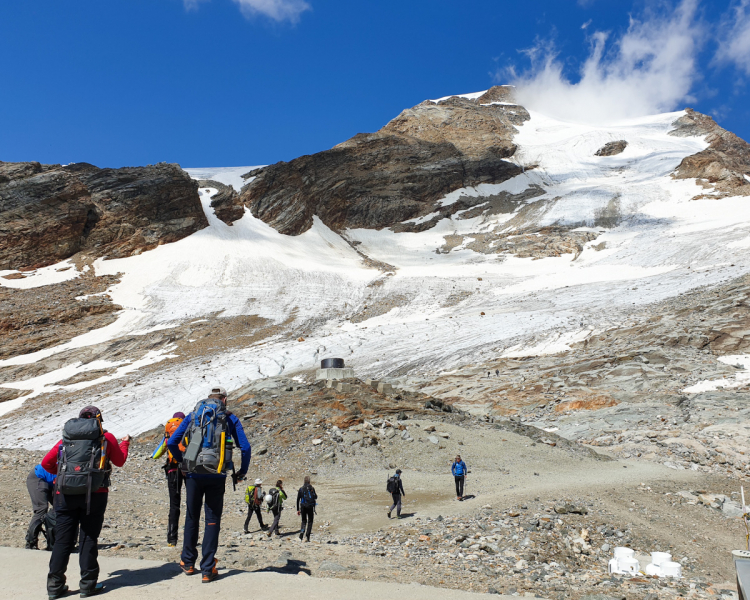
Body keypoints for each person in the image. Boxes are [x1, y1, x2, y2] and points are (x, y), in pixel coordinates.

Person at [42, 406, 130, 599]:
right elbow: (120, 461)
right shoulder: (106, 438)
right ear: (98, 421)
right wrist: (125, 444)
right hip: (95, 494)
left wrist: (68, 475)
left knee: (63, 540)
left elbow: (46, 464)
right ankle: (88, 585)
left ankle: (55, 586)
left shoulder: (66, 439)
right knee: (88, 538)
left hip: (64, 494)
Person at [167, 386, 250, 584]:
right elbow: (245, 448)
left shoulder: (194, 415)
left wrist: (182, 463)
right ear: (225, 400)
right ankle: (207, 568)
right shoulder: (229, 418)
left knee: (192, 516)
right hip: (217, 474)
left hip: (193, 474)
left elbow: (172, 443)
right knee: (212, 520)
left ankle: (187, 562)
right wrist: (242, 472)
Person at [152, 412, 187, 547]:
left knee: (174, 505)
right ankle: (191, 538)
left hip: (172, 471)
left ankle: (172, 540)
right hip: (187, 469)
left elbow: (155, 455)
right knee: (192, 503)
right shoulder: (187, 430)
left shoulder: (168, 435)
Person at [25, 463, 55, 550]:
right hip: (39, 476)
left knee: (62, 508)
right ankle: (31, 542)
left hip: (54, 481)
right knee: (41, 508)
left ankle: (55, 541)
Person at [296, 476, 317, 542]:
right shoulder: (312, 488)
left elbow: (298, 499)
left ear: (304, 481)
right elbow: (315, 497)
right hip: (310, 506)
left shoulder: (301, 489)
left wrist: (298, 509)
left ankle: (302, 531)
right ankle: (307, 536)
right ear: (309, 481)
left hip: (303, 506)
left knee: (304, 520)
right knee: (310, 521)